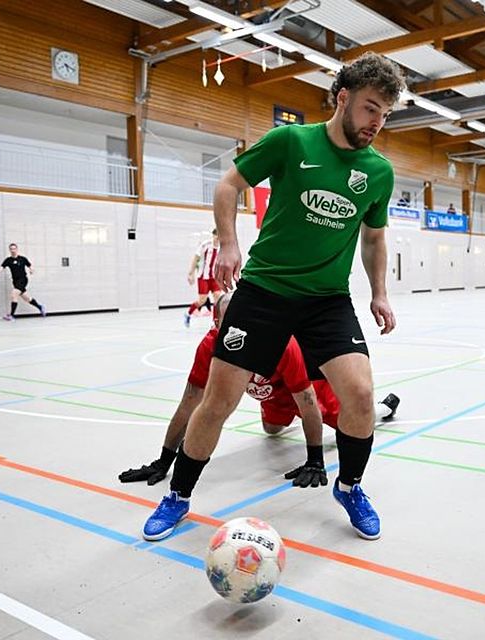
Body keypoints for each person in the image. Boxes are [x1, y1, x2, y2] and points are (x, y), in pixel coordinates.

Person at [141, 52, 406, 542]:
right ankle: (177, 496)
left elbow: (373, 238)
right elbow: (228, 185)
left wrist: (381, 293)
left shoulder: (378, 171)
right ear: (343, 98)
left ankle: (350, 486)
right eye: (371, 108)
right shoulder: (291, 141)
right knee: (219, 401)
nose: (377, 123)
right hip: (264, 291)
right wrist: (228, 242)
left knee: (362, 395)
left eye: (385, 115)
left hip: (327, 299)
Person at [119, 293, 400, 493]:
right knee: (272, 430)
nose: (236, 331)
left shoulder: (282, 345)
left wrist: (315, 460)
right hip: (274, 395)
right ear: (215, 323)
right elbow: (189, 404)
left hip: (307, 388)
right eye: (226, 324)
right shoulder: (211, 348)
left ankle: (384, 407)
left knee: (354, 419)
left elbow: (308, 403)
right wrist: (164, 460)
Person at [0, 243, 45, 321]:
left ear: (17, 249)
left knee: (14, 294)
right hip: (15, 281)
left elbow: (30, 266)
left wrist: (31, 270)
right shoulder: (8, 260)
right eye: (11, 249)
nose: (13, 250)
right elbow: (0, 268)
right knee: (26, 298)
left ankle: (12, 315)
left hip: (23, 280)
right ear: (10, 250)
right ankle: (40, 307)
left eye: (14, 249)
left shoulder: (22, 259)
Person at [184, 229, 220, 326]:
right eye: (216, 235)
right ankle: (188, 314)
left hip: (214, 278)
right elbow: (196, 258)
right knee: (202, 301)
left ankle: (214, 321)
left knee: (218, 298)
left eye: (219, 235)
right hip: (203, 277)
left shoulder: (222, 247)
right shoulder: (206, 245)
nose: (217, 238)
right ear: (213, 235)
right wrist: (190, 273)